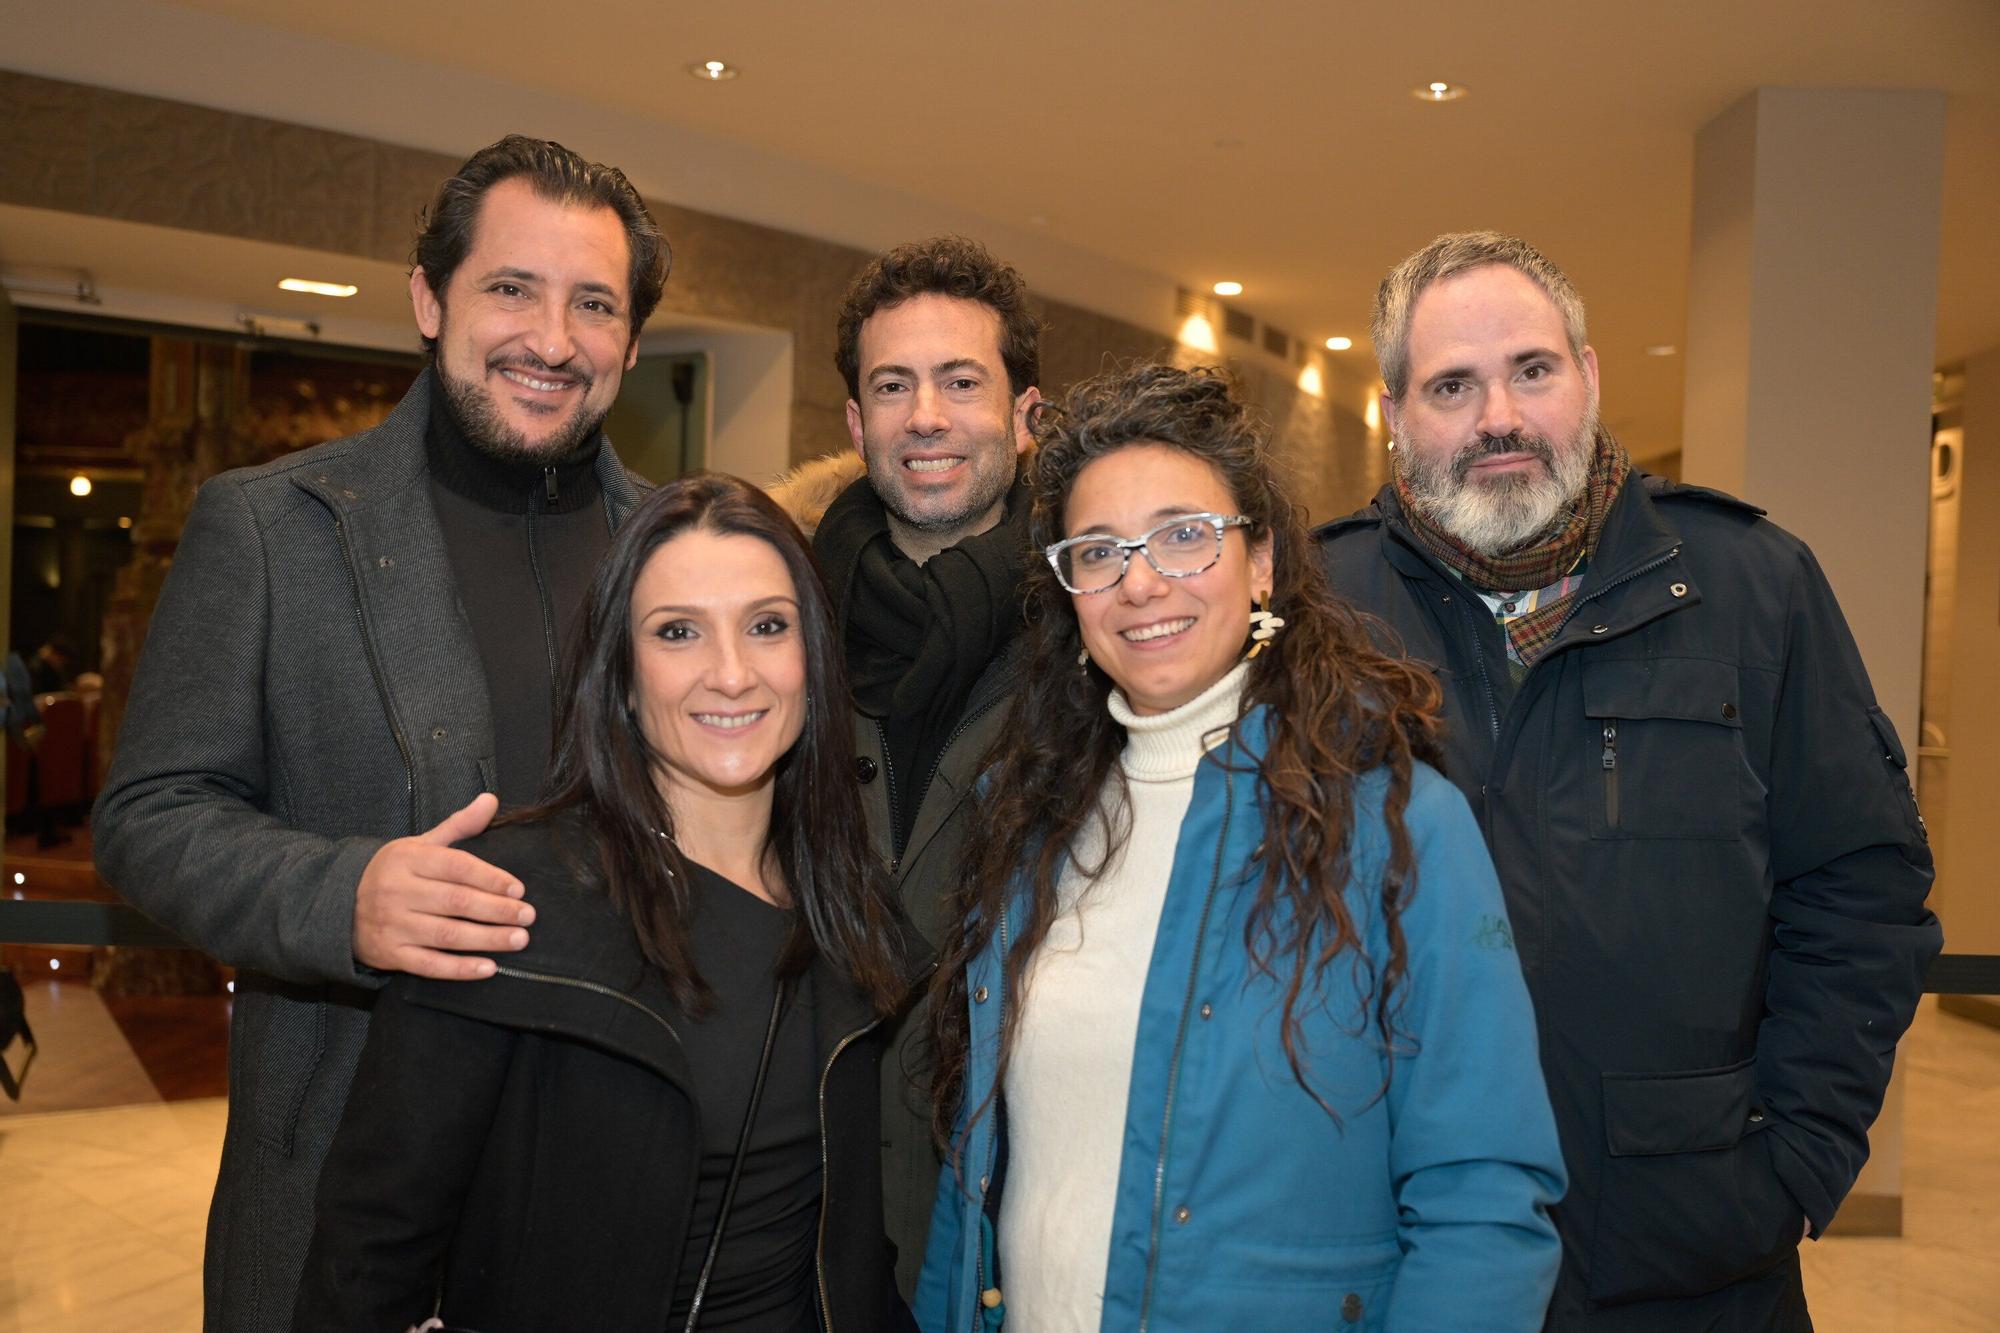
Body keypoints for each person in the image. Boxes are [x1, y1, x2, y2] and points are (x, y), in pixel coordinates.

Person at [92, 134, 669, 1329]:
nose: (551, 339)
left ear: (629, 338)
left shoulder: (682, 553)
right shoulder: (272, 528)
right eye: (510, 288)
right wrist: (342, 894)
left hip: (619, 1187)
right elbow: (149, 816)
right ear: (428, 298)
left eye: (593, 304)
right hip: (352, 1187)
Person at [1318, 231, 1942, 1331]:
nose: (1499, 416)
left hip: (1690, 1256)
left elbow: (1861, 889)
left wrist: (1794, 1159)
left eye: (1531, 370)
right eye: (1451, 385)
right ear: (1393, 411)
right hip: (1394, 1244)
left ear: (1589, 376)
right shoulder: (1317, 608)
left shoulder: (1753, 587)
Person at [918, 363, 1567, 1332]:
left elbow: (1482, 1203)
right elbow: (979, 1166)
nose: (1141, 581)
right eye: (1098, 550)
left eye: (1184, 534)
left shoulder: (1395, 825)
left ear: (1260, 560)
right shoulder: (1029, 821)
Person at [293, 474, 920, 1332]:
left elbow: (851, 1246)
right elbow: (369, 1249)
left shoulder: (852, 905)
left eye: (767, 626)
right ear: (621, 675)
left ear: (814, 659)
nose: (731, 673)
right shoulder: (507, 901)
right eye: (678, 631)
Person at [772, 236, 1043, 1294]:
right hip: (796, 1209)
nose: (925, 416)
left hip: (1007, 1214)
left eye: (961, 381)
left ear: (1024, 414)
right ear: (855, 423)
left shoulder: (1098, 629)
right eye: (893, 385)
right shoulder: (774, 625)